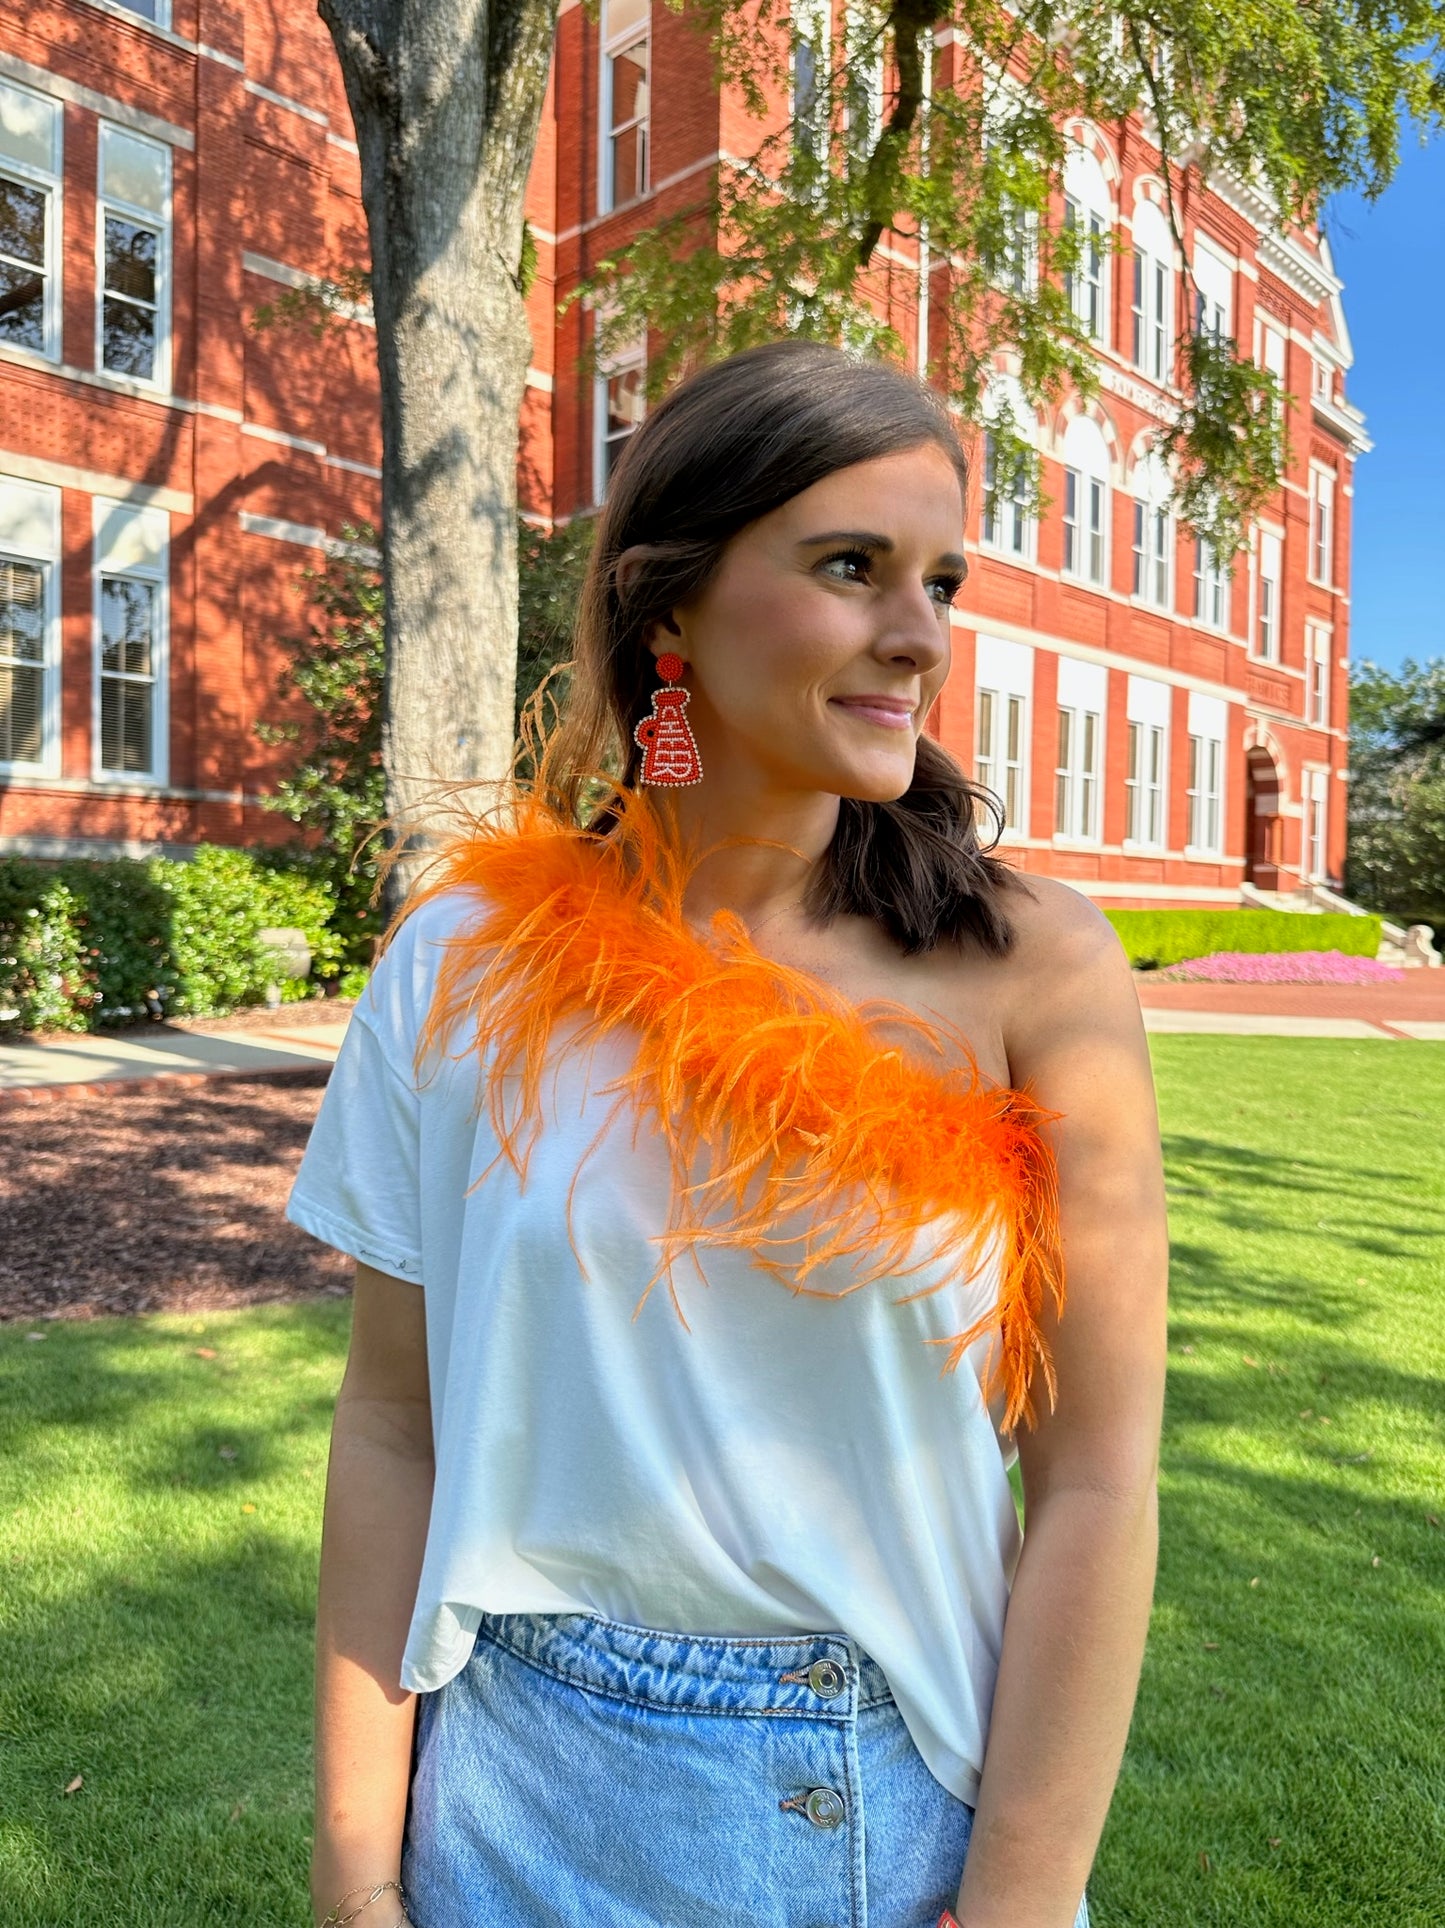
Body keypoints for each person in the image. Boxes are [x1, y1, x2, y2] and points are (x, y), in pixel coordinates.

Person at [287, 339, 1168, 1928]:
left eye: (943, 584)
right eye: (853, 568)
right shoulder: (464, 961)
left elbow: (1096, 1476)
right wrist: (357, 1872)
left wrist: (1028, 1893)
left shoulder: (1030, 969)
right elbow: (391, 1425)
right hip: (502, 1799)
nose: (918, 638)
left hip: (888, 1819)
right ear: (668, 608)